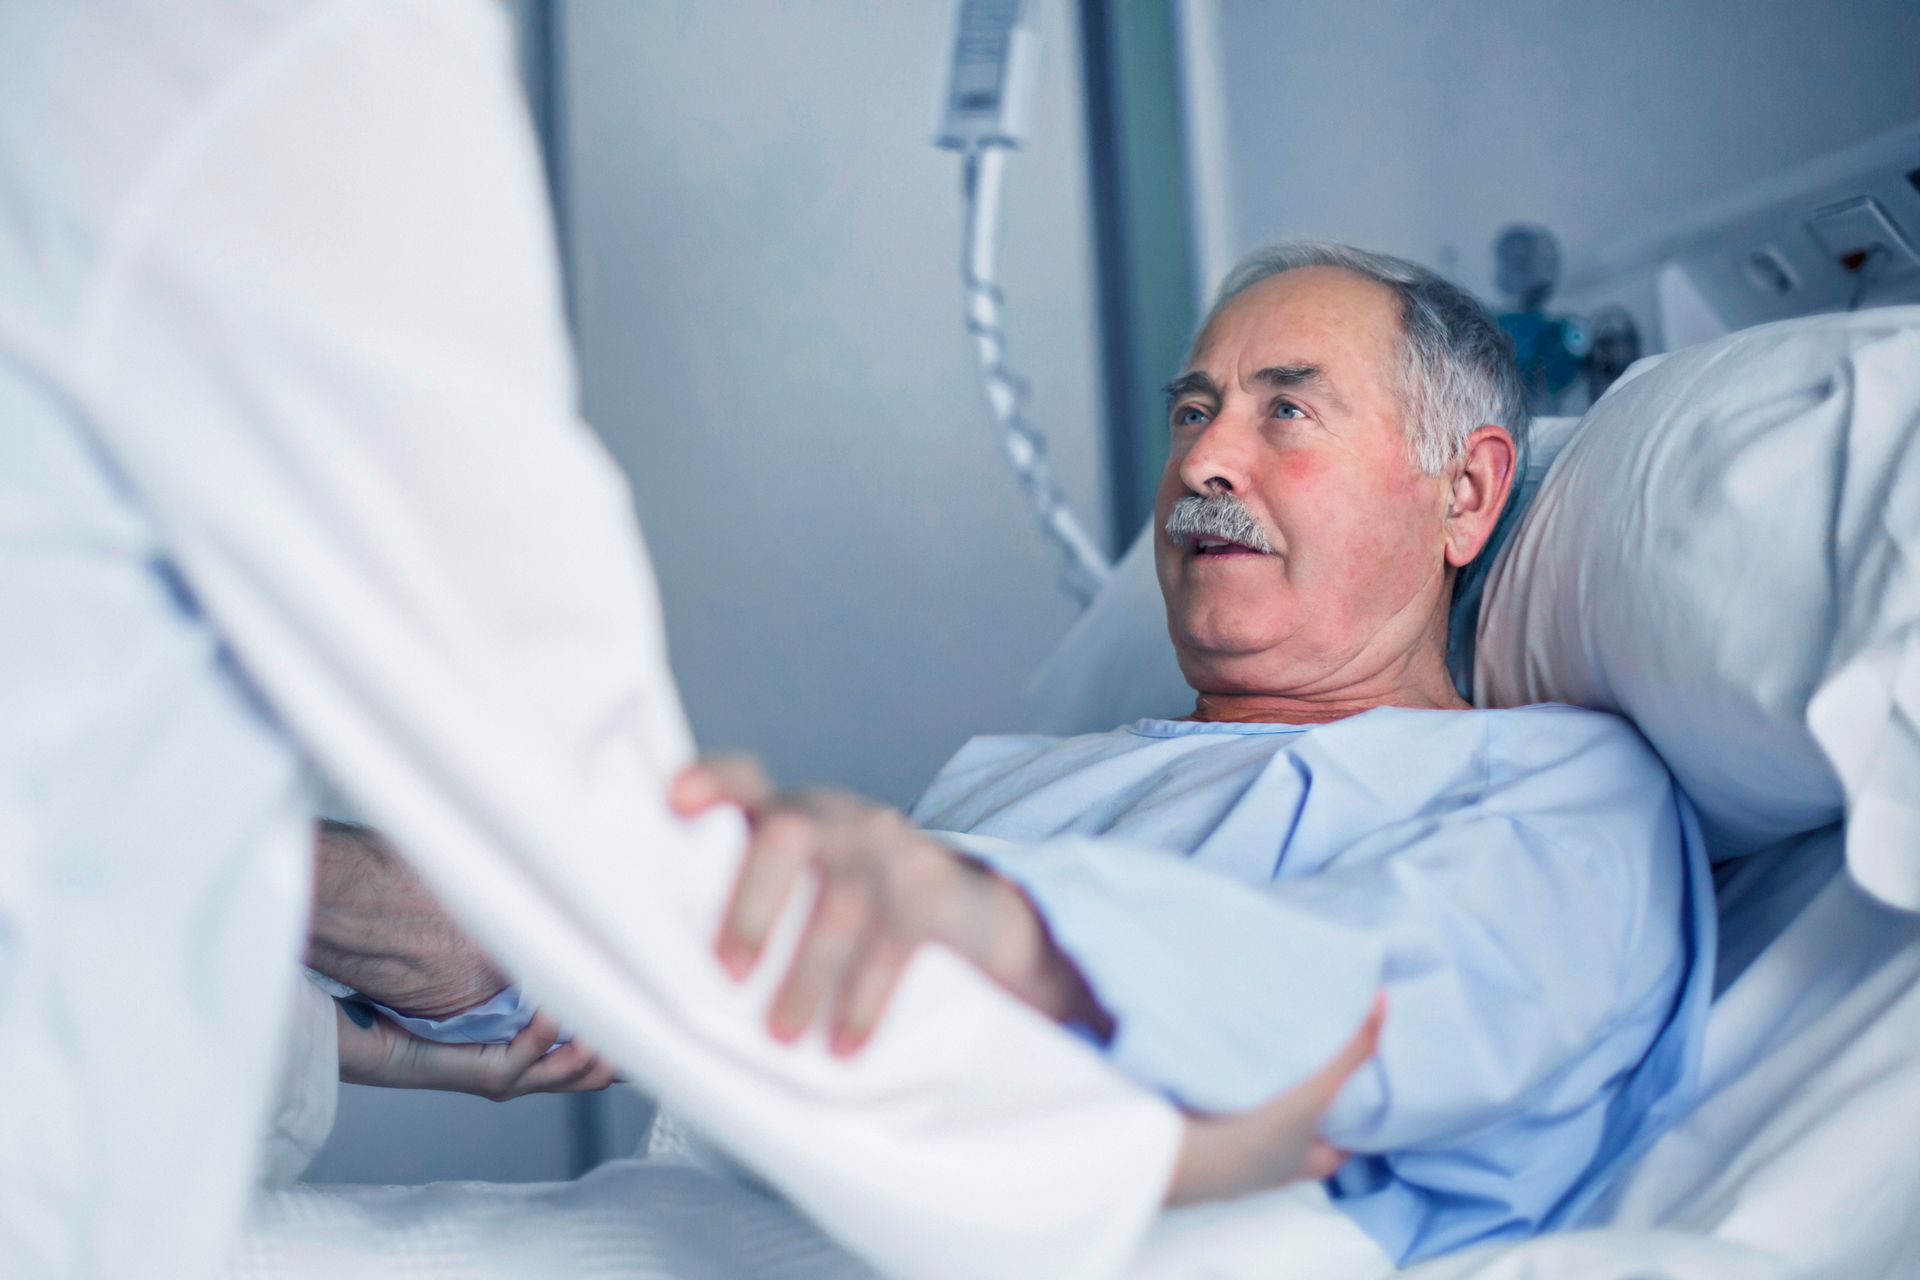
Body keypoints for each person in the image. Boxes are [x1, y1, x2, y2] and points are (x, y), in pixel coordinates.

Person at [670, 243, 1714, 1266]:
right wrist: (552, 968)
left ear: (1466, 493)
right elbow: (772, 983)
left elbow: (1372, 1006)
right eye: (1192, 412)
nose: (1203, 460)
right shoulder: (1007, 782)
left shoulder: (1558, 786)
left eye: (1287, 410)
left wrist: (1001, 933)